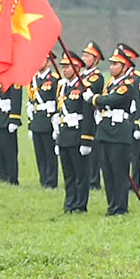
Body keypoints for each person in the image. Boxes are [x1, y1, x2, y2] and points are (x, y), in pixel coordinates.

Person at [93, 45, 140, 216]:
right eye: (111, 64)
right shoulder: (110, 84)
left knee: (119, 171)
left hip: (119, 133)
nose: (111, 67)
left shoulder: (126, 85)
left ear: (124, 67)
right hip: (105, 131)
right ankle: (112, 205)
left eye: (116, 64)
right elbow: (106, 100)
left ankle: (120, 207)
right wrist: (99, 101)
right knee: (107, 172)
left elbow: (113, 99)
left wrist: (95, 99)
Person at [56, 50, 94, 212]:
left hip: (77, 135)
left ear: (77, 68)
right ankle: (69, 202)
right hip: (64, 134)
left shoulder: (83, 87)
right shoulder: (63, 87)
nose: (64, 70)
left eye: (68, 67)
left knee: (80, 173)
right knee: (68, 173)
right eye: (63, 67)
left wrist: (86, 139)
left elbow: (87, 115)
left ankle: (80, 204)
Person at [27, 62, 59, 191]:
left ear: (48, 61)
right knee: (39, 153)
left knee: (49, 153)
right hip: (36, 120)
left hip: (48, 120)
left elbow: (59, 100)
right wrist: (30, 124)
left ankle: (51, 181)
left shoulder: (54, 79)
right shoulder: (33, 79)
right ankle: (43, 179)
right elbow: (30, 102)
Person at [0, 78, 22, 185]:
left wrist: (15, 119)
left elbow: (16, 97)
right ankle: (2, 176)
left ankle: (12, 178)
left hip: (7, 119)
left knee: (9, 152)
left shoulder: (12, 77)